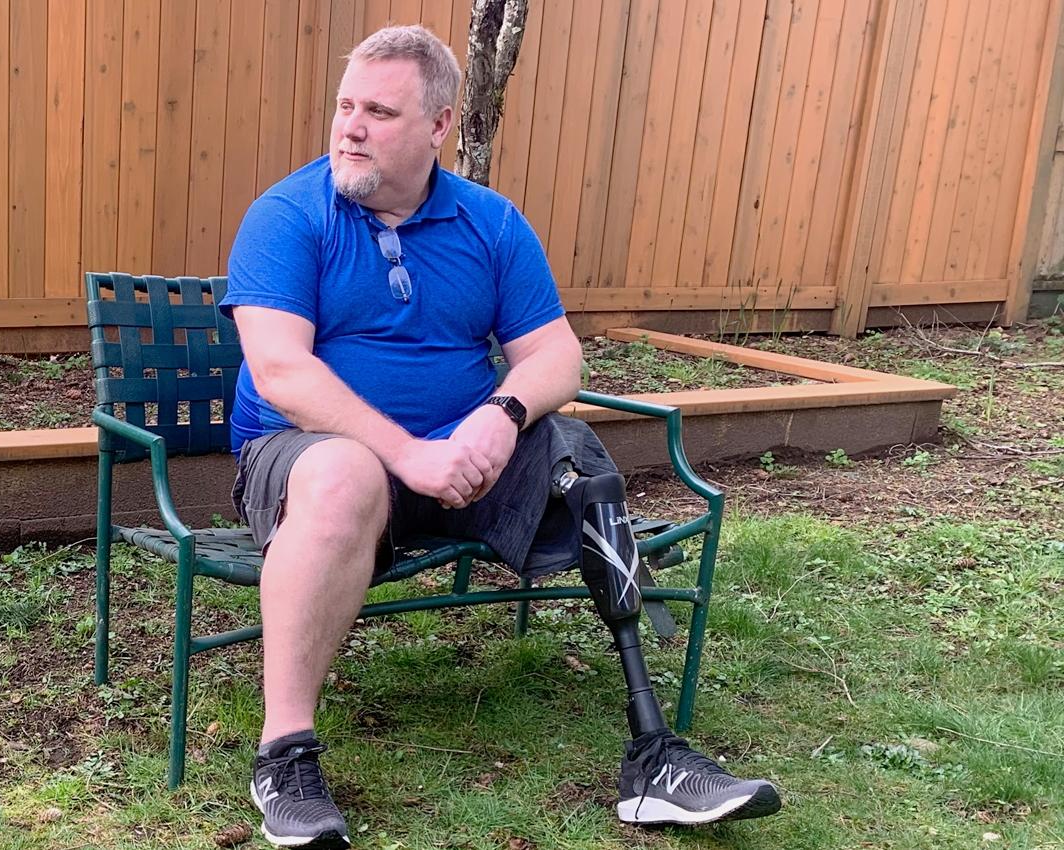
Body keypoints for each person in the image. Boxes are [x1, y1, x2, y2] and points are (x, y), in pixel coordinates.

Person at [219, 24, 782, 849]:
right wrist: (408, 453)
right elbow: (281, 373)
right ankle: (285, 758)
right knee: (345, 472)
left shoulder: (490, 223)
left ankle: (654, 757)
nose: (351, 126)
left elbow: (556, 353)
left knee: (575, 459)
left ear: (441, 124)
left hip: (461, 463)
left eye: (379, 111)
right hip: (302, 461)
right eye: (346, 107)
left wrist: (501, 415)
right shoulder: (289, 216)